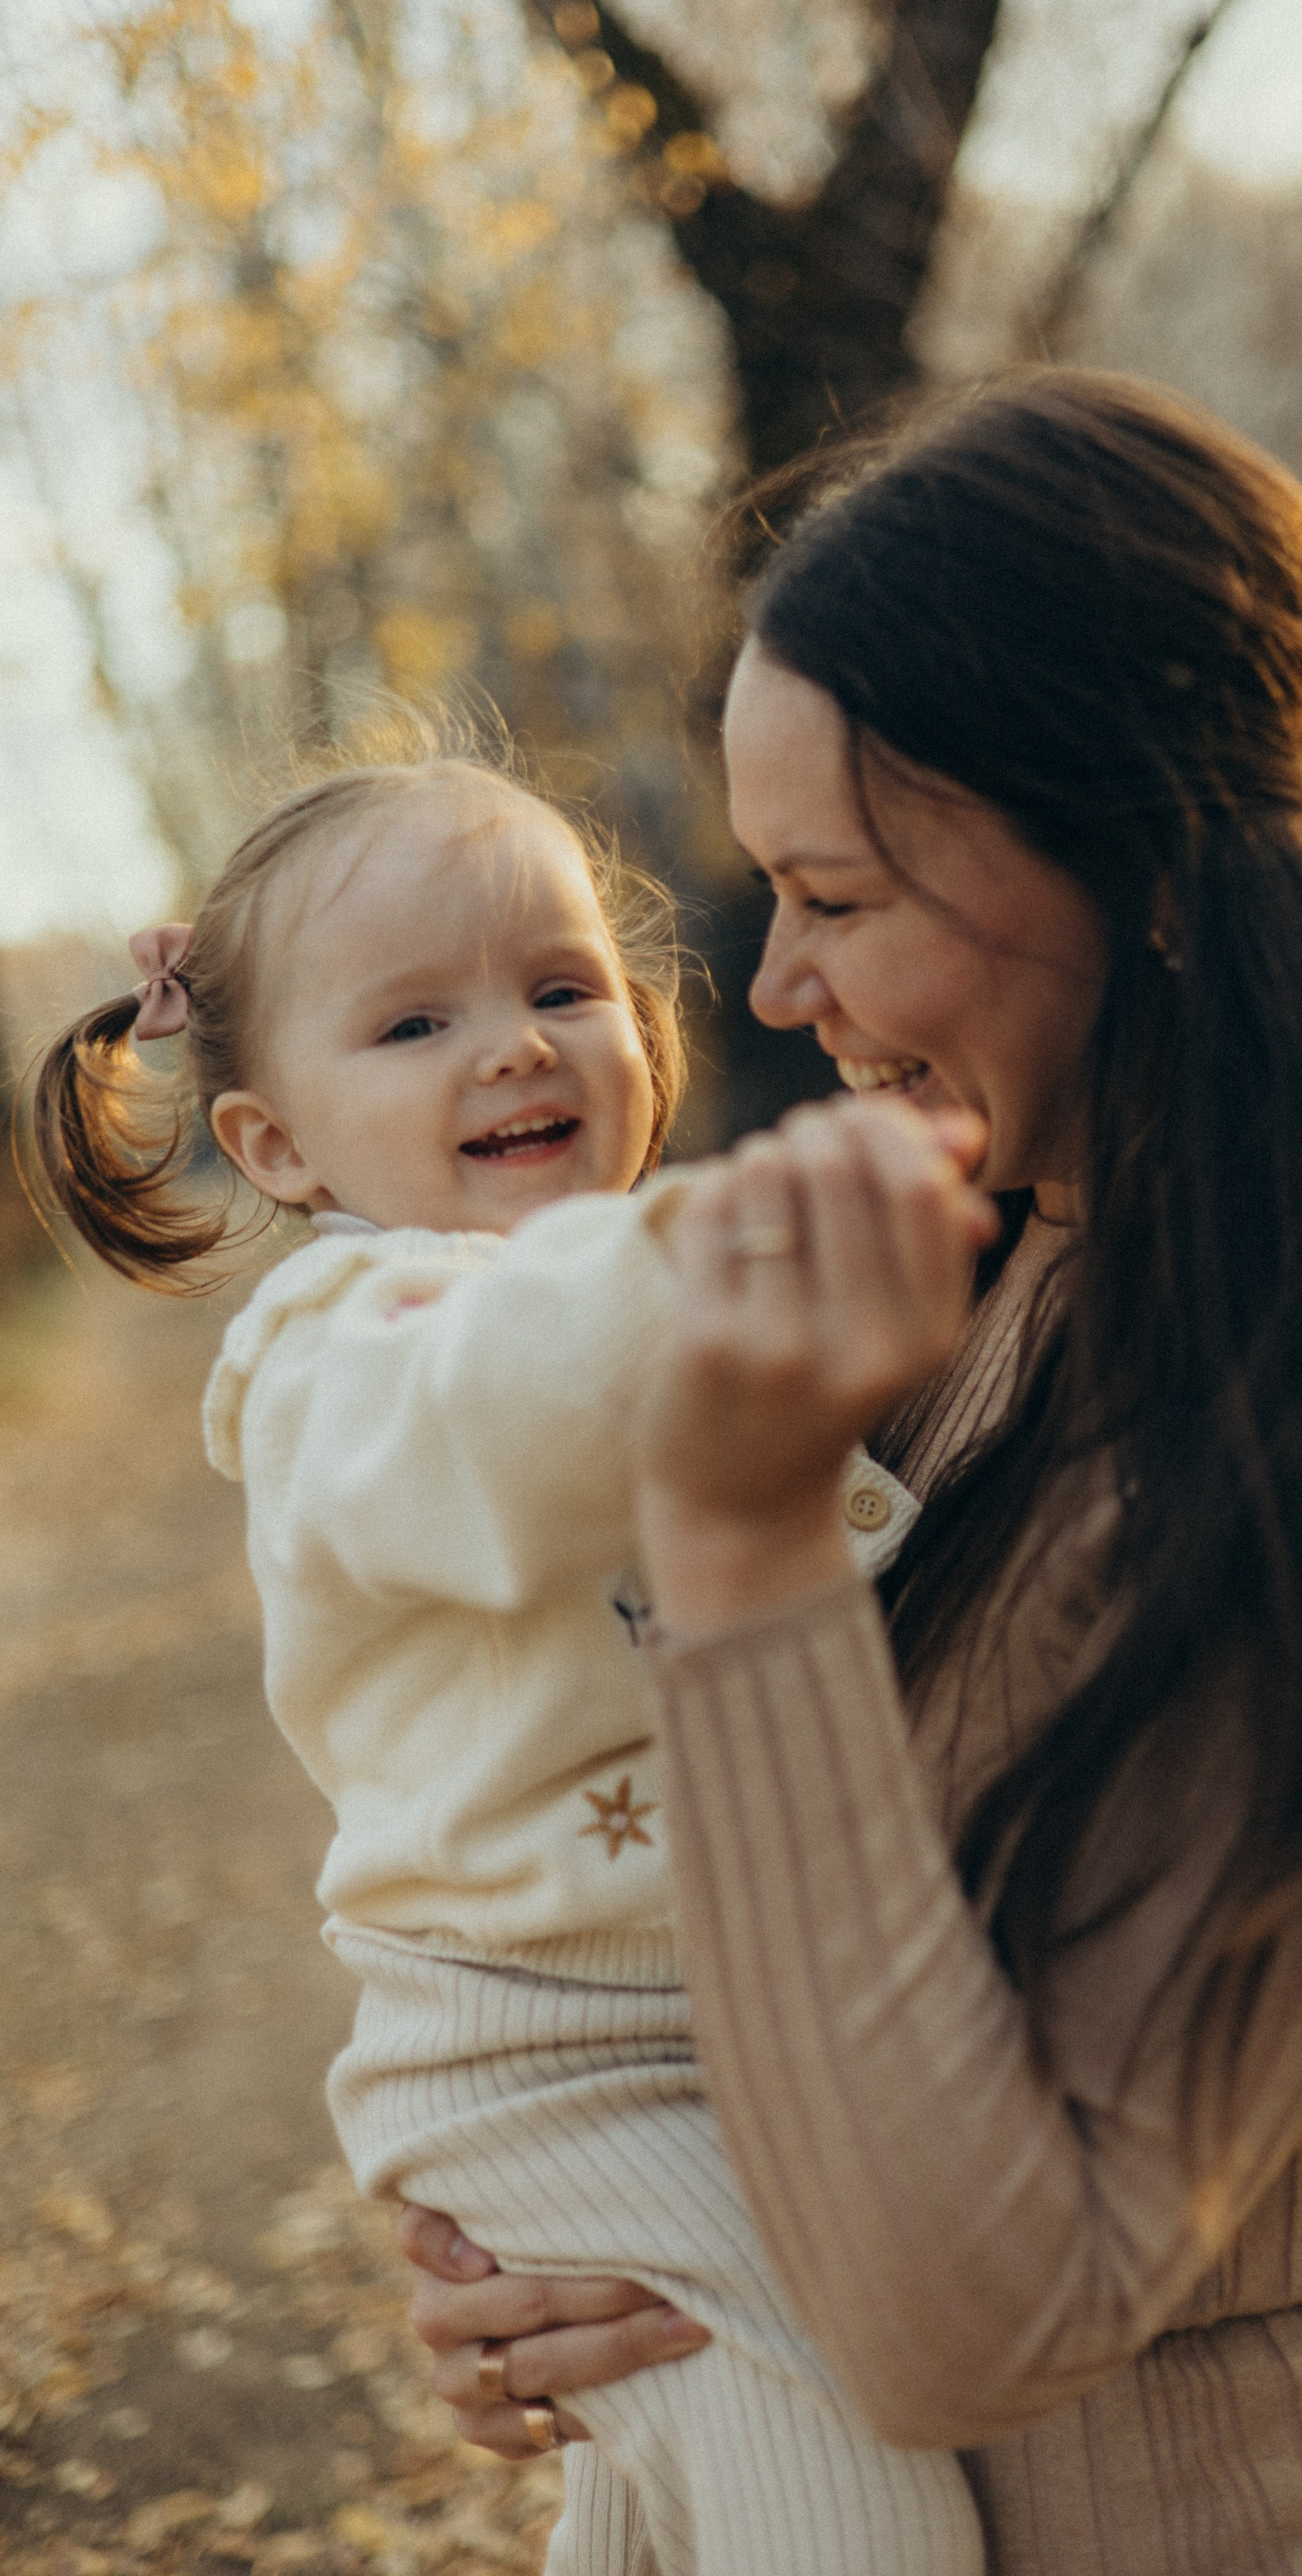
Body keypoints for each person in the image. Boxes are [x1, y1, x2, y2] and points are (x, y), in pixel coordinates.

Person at [401, 371, 1302, 2574]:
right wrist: (603, 2266)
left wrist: (746, 1546)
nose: (777, 982)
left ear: (1131, 865)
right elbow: (834, 1979)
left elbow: (978, 2320)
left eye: (836, 896)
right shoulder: (1021, 1249)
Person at [28, 752, 994, 2576]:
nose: (517, 1047)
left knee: (664, 2493)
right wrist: (708, 1239)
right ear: (278, 1148)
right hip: (554, 2053)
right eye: (414, 1024)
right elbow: (500, 1426)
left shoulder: (603, 1286)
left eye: (563, 990)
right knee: (855, 2499)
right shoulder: (351, 1348)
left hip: (713, 2035)